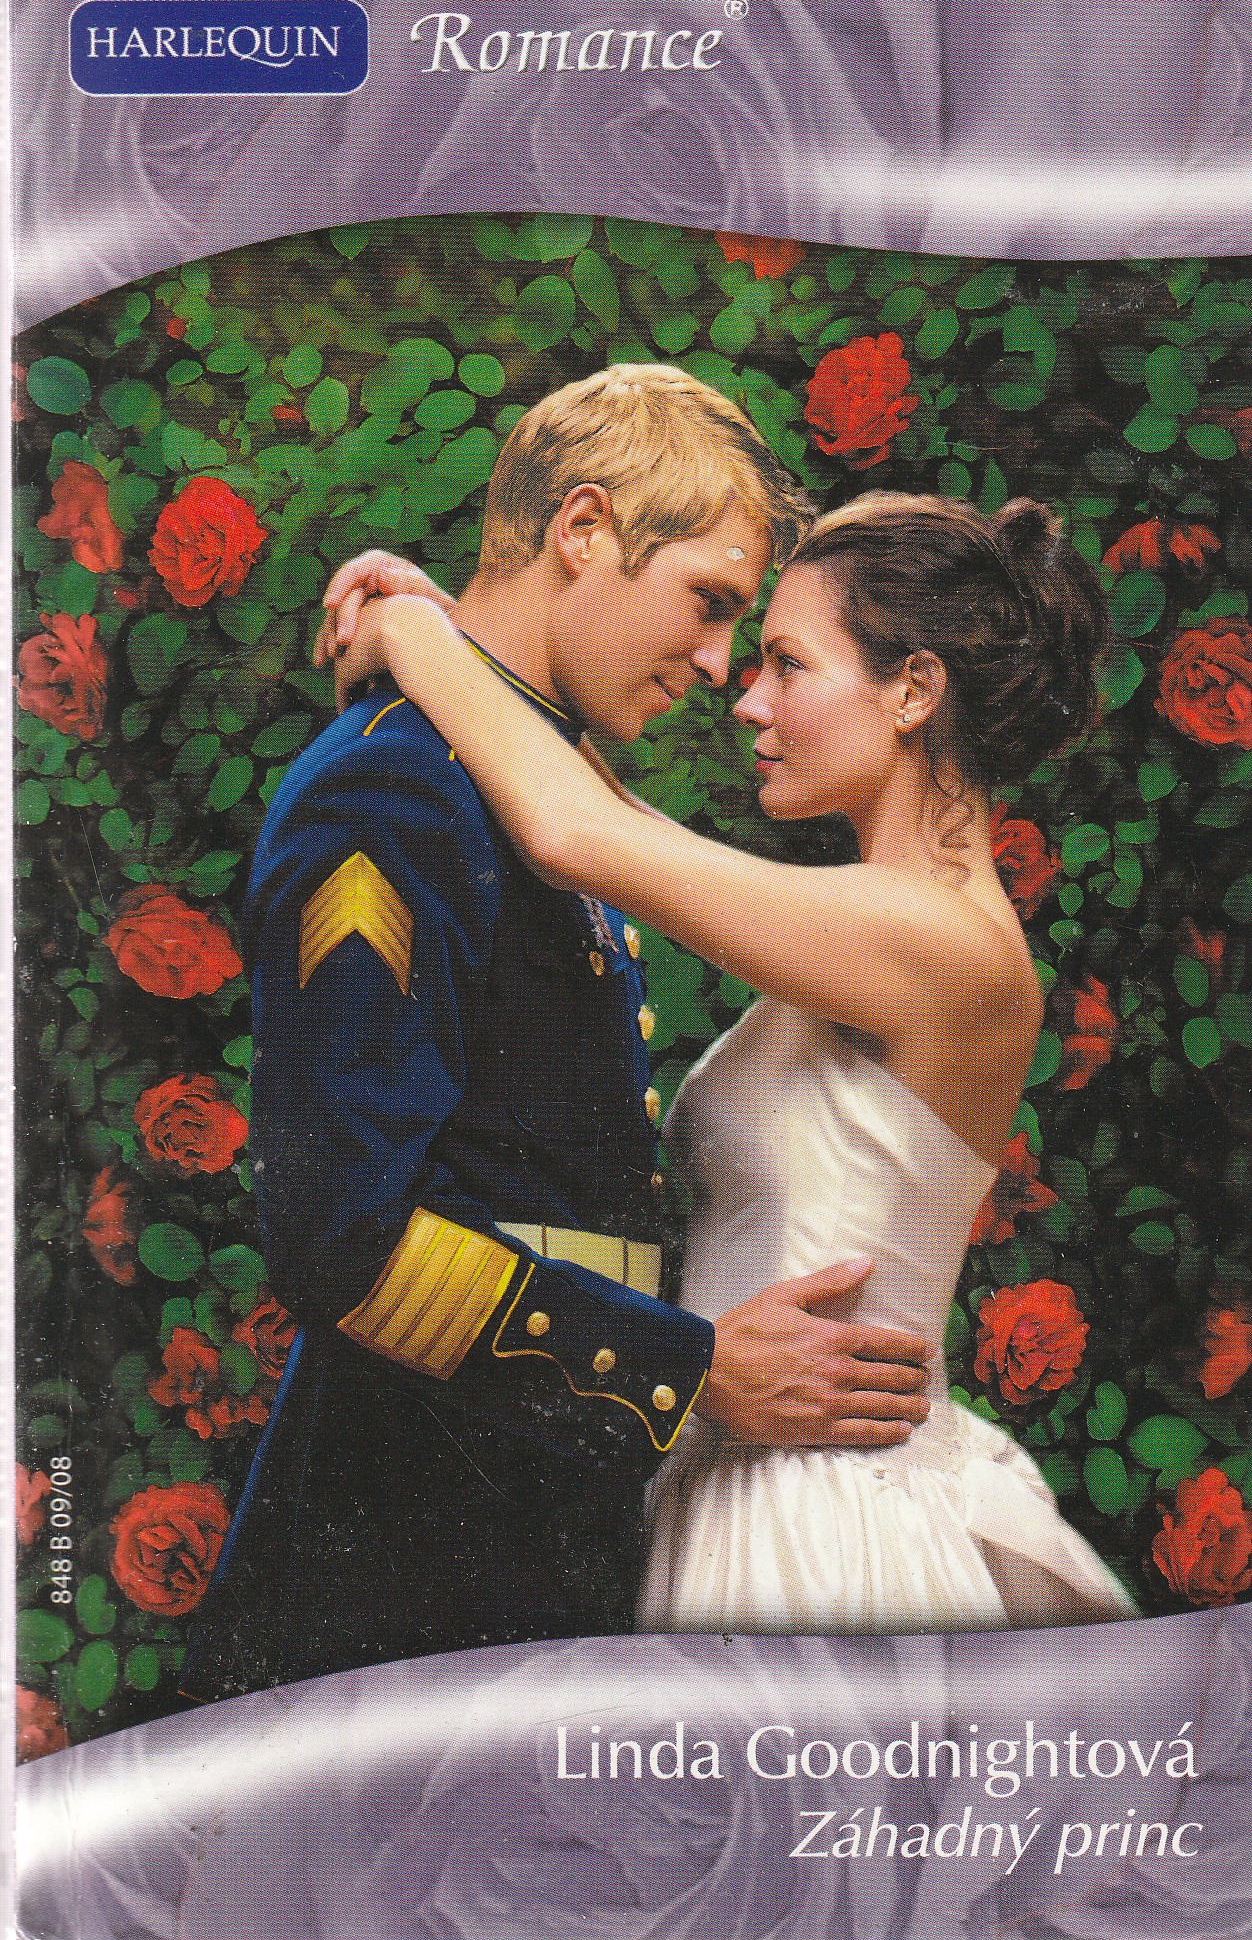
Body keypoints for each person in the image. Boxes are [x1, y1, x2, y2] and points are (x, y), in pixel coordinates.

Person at [180, 367, 935, 1700]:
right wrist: (685, 1370)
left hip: (517, 1511)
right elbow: (340, 1234)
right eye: (709, 601)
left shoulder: (501, 774)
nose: (720, 667)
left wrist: (422, 628)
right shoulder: (390, 791)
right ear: (582, 529)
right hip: (408, 1550)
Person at [319, 487, 1141, 1631]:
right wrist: (458, 628)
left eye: (788, 665)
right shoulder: (879, 916)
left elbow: (575, 832)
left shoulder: (940, 942)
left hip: (822, 1526)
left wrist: (410, 633)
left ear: (913, 689)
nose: (747, 699)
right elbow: (615, 819)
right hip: (757, 1474)